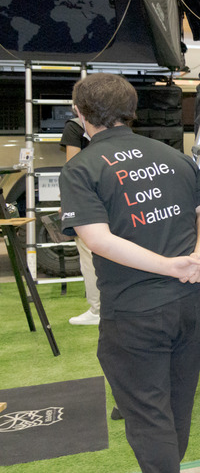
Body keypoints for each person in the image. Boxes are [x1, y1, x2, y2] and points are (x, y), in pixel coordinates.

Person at [59, 73, 200, 473]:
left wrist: (177, 263)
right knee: (176, 404)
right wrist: (197, 258)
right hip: (192, 303)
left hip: (136, 314)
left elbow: (97, 240)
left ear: (81, 114)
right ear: (130, 111)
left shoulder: (80, 168)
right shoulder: (173, 155)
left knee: (149, 415)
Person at [60, 116, 99, 326]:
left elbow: (72, 166)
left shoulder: (75, 126)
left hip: (88, 196)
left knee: (88, 250)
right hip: (115, 189)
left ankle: (97, 309)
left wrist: (66, 201)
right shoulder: (115, 121)